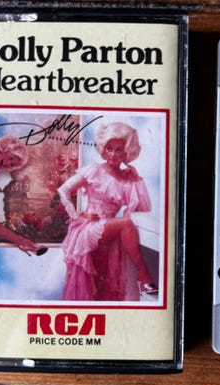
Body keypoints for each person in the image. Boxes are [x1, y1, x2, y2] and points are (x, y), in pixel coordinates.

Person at [57, 122, 157, 301]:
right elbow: (63, 190)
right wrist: (76, 217)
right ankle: (144, 276)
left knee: (106, 283)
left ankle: (141, 280)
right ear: (103, 148)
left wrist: (137, 179)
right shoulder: (95, 169)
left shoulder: (127, 179)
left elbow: (143, 208)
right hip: (88, 229)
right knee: (126, 223)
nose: (113, 154)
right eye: (109, 148)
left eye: (119, 150)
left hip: (109, 229)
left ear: (127, 152)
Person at [0, 133, 47, 256]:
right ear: (4, 148)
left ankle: (25, 243)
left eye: (12, 164)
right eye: (11, 158)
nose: (8, 163)